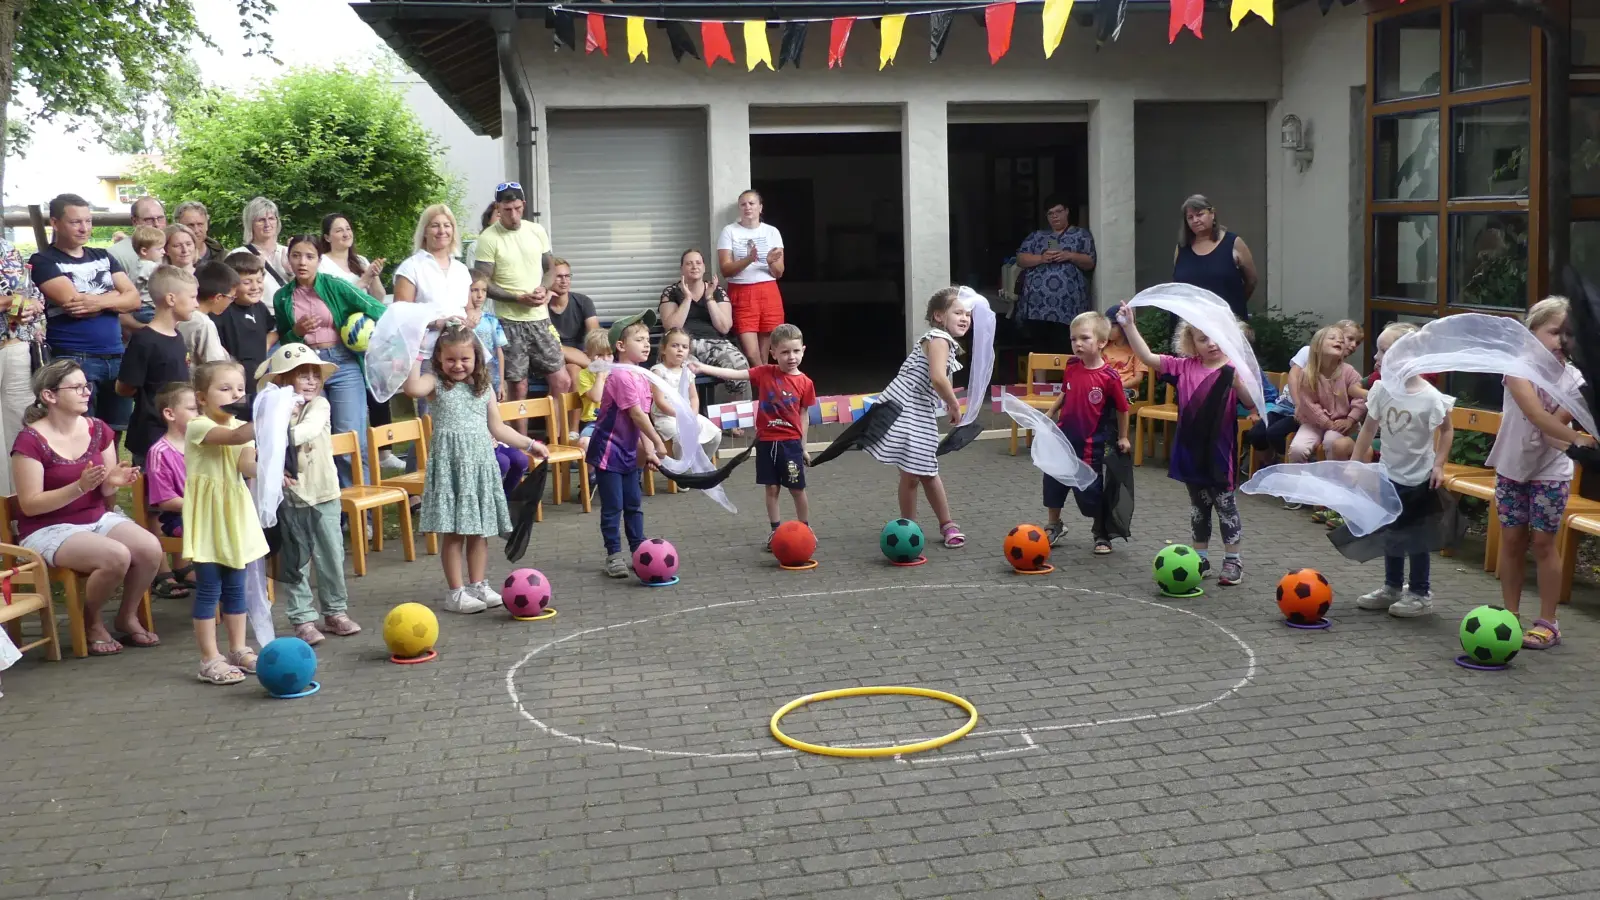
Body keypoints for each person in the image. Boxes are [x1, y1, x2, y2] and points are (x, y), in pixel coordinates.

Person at [9, 360, 161, 654]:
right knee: (115, 556)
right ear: (49, 396)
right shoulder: (30, 441)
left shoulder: (98, 429)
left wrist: (115, 480)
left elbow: (104, 489)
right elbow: (30, 505)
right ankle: (91, 620)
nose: (86, 392)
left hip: (95, 517)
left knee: (149, 548)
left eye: (86, 386)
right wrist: (78, 486)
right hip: (47, 528)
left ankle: (126, 615)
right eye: (76, 387)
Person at [401, 323, 547, 613]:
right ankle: (455, 592)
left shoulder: (484, 389)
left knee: (480, 531)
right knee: (454, 533)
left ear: (477, 358)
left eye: (465, 359)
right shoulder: (436, 384)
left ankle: (478, 584)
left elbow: (498, 427)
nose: (458, 365)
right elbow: (412, 388)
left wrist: (530, 445)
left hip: (480, 466)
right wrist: (418, 351)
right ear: (439, 359)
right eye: (451, 359)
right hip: (452, 468)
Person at [1116, 305, 1259, 585]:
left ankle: (1233, 560)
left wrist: (1240, 382)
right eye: (1202, 338)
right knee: (1198, 506)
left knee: (1225, 505)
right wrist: (1129, 326)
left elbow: (1250, 403)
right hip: (1190, 450)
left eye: (1216, 336)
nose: (1211, 343)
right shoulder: (1183, 367)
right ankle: (1200, 557)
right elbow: (1146, 357)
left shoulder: (1232, 370)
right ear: (1191, 341)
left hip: (1220, 451)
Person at [1487, 298, 1595, 647]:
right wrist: (1581, 438)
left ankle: (1549, 621)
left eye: (1568, 333)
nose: (1561, 340)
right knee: (1513, 540)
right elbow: (1537, 417)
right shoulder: (1517, 369)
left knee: (1546, 543)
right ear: (1531, 333)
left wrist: (1577, 439)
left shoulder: (1575, 378)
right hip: (1511, 465)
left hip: (1551, 469)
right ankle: (1510, 615)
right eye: (1553, 332)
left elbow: (1552, 432)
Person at [1347, 324, 1457, 619]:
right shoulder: (1382, 390)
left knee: (1417, 537)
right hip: (1389, 476)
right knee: (1392, 533)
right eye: (1378, 349)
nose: (1376, 356)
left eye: (1384, 351)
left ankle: (1420, 593)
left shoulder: (1431, 397)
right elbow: (1368, 429)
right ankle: (1392, 587)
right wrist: (1356, 464)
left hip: (1419, 479)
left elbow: (1446, 431)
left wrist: (1439, 464)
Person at [257, 343, 359, 644]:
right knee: (295, 559)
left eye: (315, 374)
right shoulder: (271, 411)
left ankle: (335, 611)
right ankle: (302, 618)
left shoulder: (320, 406)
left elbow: (305, 432)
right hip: (290, 498)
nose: (312, 380)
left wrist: (275, 431)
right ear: (282, 380)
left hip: (324, 492)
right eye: (303, 375)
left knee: (331, 554)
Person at [271, 234, 388, 487]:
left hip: (343, 363)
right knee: (311, 438)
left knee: (348, 438)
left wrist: (376, 335)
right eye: (296, 255)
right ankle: (327, 504)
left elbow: (377, 308)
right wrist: (298, 332)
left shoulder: (335, 285)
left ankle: (362, 514)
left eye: (310, 256)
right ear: (288, 260)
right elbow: (285, 340)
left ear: (319, 260)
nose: (303, 262)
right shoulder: (281, 297)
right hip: (306, 368)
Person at [30, 193, 141, 446]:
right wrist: (114, 298)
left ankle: (109, 481)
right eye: (75, 222)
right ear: (55, 223)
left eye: (88, 221)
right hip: (74, 356)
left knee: (113, 431)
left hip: (115, 354)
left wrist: (96, 301)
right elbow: (74, 305)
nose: (84, 228)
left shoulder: (103, 255)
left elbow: (134, 300)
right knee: (80, 430)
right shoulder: (43, 261)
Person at [183, 360, 268, 685]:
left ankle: (237, 648)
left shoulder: (239, 425)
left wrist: (275, 471)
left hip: (234, 518)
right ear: (202, 397)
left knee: (236, 588)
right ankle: (209, 658)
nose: (234, 394)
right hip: (209, 521)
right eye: (224, 388)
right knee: (209, 589)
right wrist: (266, 415)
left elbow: (247, 465)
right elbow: (233, 437)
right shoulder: (198, 426)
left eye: (239, 389)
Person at [693, 323, 814, 548]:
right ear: (773, 352)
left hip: (790, 445)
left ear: (803, 350)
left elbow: (804, 416)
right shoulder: (765, 373)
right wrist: (703, 368)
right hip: (767, 444)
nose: (791, 357)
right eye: (785, 352)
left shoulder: (806, 383)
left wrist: (803, 446)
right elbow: (734, 373)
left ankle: (806, 528)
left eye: (796, 351)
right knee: (772, 489)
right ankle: (775, 531)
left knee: (797, 488)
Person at [868, 291, 971, 549]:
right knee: (918, 470)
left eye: (968, 314)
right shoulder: (938, 338)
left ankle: (919, 525)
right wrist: (953, 403)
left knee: (920, 470)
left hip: (917, 409)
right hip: (908, 408)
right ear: (938, 316)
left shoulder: (942, 340)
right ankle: (921, 526)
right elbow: (938, 377)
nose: (965, 318)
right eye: (958, 312)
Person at [473, 183, 569, 412]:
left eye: (517, 208)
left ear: (523, 205)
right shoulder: (488, 238)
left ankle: (556, 436)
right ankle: (520, 445)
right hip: (509, 320)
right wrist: (517, 298)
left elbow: (550, 267)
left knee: (562, 380)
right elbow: (482, 281)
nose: (513, 215)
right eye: (507, 210)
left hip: (540, 318)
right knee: (518, 386)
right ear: (498, 207)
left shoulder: (536, 230)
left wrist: (545, 289)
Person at [1040, 311, 1130, 554]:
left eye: (1084, 338)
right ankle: (1054, 524)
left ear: (1101, 343)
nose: (1077, 344)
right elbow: (1066, 392)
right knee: (1053, 482)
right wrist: (1050, 412)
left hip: (1090, 446)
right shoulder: (1071, 366)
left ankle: (1100, 532)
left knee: (1091, 493)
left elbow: (1123, 409)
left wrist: (1123, 436)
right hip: (1062, 440)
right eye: (1073, 339)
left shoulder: (1109, 377)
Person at [588, 312, 667, 578]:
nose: (647, 344)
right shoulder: (621, 376)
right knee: (613, 506)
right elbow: (636, 414)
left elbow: (640, 421)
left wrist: (650, 451)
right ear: (620, 346)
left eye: (647, 339)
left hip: (629, 453)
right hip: (608, 452)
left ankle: (639, 551)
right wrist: (657, 441)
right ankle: (613, 555)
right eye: (639, 339)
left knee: (634, 503)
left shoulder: (641, 377)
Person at [115, 265, 197, 469]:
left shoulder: (178, 336)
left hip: (177, 431)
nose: (196, 304)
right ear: (171, 299)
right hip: (151, 435)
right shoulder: (145, 340)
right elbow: (124, 387)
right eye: (193, 297)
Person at [658, 249, 750, 402]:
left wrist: (709, 298)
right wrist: (687, 299)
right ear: (682, 269)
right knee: (674, 371)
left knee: (741, 368)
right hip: (682, 344)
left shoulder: (717, 291)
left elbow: (724, 327)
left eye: (698, 263)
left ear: (704, 267)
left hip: (715, 345)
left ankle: (733, 422)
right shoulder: (671, 292)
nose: (694, 266)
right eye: (689, 263)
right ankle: (684, 418)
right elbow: (672, 327)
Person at [1014, 196, 1097, 352]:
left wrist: (1069, 255)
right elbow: (1020, 258)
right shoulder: (1037, 236)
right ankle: (1039, 377)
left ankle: (1066, 376)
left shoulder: (1081, 235)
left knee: (1065, 343)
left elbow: (1090, 261)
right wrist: (1041, 258)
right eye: (1050, 213)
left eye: (1058, 211)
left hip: (1067, 305)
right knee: (1039, 345)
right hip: (1038, 305)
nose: (1055, 216)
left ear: (1066, 212)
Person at [716, 190, 786, 368]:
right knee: (751, 353)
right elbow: (726, 270)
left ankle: (764, 391)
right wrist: (749, 259)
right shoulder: (729, 231)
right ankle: (766, 385)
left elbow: (779, 273)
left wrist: (770, 263)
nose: (748, 207)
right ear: (739, 208)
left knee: (766, 353)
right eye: (743, 204)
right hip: (742, 291)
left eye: (752, 203)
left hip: (769, 291)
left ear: (760, 207)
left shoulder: (772, 232)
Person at [0, 237, 46, 497]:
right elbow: (11, 299)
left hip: (16, 346)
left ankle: (20, 506)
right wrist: (9, 303)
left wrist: (32, 306)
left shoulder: (7, 247)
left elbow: (31, 292)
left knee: (21, 425)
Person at [1287, 326, 1367, 468]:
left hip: (1341, 424)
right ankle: (1302, 483)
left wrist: (1350, 419)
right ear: (1317, 347)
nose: (1339, 342)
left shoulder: (1349, 372)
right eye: (1332, 338)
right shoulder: (1307, 374)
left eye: (1342, 341)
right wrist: (1326, 423)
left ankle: (1334, 481)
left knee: (1332, 443)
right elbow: (1308, 404)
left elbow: (1360, 398)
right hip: (1313, 422)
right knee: (1297, 450)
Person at [142, 383, 196, 597]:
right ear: (170, 414)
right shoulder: (160, 452)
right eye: (193, 409)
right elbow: (165, 501)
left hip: (204, 512)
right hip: (178, 518)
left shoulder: (203, 444)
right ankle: (220, 590)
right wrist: (203, 504)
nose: (200, 414)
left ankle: (236, 585)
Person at [1172, 194, 1258, 322]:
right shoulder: (1182, 248)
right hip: (1188, 325)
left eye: (1200, 214)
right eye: (1190, 217)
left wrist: (1234, 304)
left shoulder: (1233, 243)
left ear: (1212, 214)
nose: (1195, 220)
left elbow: (1251, 281)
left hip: (1225, 322)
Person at [212, 255, 275, 419]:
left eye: (259, 281)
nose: (255, 287)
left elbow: (272, 330)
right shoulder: (223, 311)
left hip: (259, 382)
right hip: (235, 386)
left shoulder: (260, 308)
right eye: (247, 282)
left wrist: (266, 344)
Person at [651, 327, 722, 463]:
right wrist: (680, 415)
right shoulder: (658, 371)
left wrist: (693, 414)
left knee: (715, 434)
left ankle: (700, 464)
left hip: (688, 415)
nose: (680, 349)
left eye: (684, 347)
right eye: (674, 345)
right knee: (681, 437)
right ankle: (683, 470)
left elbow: (693, 397)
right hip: (666, 417)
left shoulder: (687, 371)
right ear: (663, 349)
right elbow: (660, 401)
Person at [546, 258, 600, 424]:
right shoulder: (541, 305)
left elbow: (595, 336)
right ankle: (568, 431)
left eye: (567, 276)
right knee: (560, 359)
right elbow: (546, 341)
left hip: (577, 358)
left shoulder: (583, 302)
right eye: (558, 276)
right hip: (549, 357)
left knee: (573, 371)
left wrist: (593, 355)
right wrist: (543, 305)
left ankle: (572, 432)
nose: (564, 281)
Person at [318, 213, 386, 303]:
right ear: (327, 238)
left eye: (348, 229)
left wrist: (374, 275)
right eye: (339, 231)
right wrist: (363, 282)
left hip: (364, 316)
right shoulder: (321, 263)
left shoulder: (361, 260)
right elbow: (330, 302)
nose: (346, 234)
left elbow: (379, 300)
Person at [233, 196, 290, 296]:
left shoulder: (289, 252)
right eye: (261, 220)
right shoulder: (239, 255)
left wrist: (291, 273)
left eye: (271, 218)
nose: (267, 224)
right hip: (259, 310)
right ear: (250, 224)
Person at [466, 272, 508, 397]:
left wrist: (501, 382)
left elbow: (499, 351)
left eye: (484, 290)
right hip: (469, 377)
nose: (480, 295)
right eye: (474, 290)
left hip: (491, 377)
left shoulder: (491, 320)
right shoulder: (459, 319)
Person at [108, 196, 167, 275]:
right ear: (135, 221)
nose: (156, 224)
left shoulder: (174, 244)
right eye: (149, 220)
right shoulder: (116, 254)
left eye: (160, 218)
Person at [575, 328, 611, 455]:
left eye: (609, 354)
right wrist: (601, 375)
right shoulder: (584, 375)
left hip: (616, 421)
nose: (605, 359)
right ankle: (591, 475)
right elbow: (596, 397)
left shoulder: (618, 373)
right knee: (585, 442)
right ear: (589, 355)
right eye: (600, 355)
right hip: (594, 422)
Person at [125, 225, 166, 330]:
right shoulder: (150, 267)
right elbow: (164, 285)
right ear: (144, 251)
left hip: (138, 310)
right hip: (148, 309)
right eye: (159, 249)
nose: (164, 252)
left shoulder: (135, 265)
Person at [1102, 320, 1148, 397]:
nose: (1108, 330)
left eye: (1112, 326)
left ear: (1123, 327)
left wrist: (1119, 386)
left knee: (1118, 396)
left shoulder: (1137, 349)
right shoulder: (1104, 347)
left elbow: (1138, 378)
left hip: (1127, 389)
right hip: (1105, 387)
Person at [175, 200, 225, 267]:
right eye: (190, 225)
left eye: (200, 224)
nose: (196, 230)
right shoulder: (169, 258)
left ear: (207, 225)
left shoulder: (224, 256)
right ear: (178, 227)